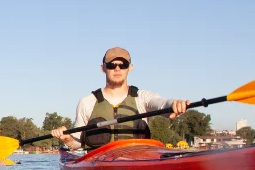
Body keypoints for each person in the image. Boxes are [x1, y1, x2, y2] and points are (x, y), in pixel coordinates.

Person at [52, 47, 189, 151]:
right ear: (103, 68)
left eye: (122, 65)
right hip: (98, 166)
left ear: (130, 68)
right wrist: (67, 138)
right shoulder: (87, 102)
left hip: (137, 161)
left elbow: (163, 104)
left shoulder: (142, 97)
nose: (117, 69)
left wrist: (174, 104)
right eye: (111, 65)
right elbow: (78, 142)